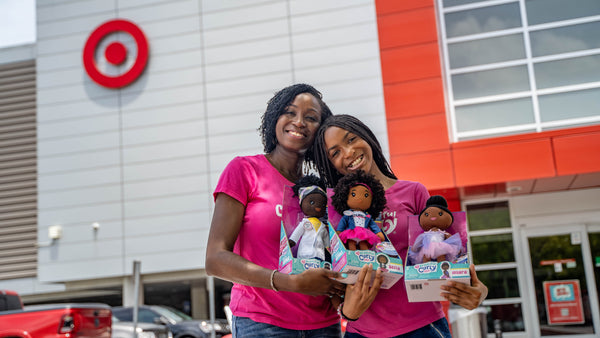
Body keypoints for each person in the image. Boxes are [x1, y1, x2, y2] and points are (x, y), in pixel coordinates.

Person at [206, 84, 380, 337]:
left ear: (320, 131)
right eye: (290, 112)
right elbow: (215, 259)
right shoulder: (244, 170)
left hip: (324, 326)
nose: (299, 122)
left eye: (311, 118)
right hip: (262, 323)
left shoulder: (326, 191)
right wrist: (289, 282)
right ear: (275, 117)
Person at [312, 114, 488, 337]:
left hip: (423, 328)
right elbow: (330, 280)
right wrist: (346, 311)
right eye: (335, 152)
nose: (348, 153)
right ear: (331, 164)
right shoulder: (334, 206)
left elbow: (456, 262)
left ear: (366, 137)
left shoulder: (413, 192)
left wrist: (479, 292)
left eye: (351, 139)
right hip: (362, 332)